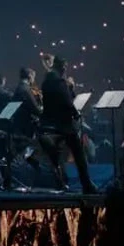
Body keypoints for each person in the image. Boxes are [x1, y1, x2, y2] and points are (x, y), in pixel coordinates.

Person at [33, 57, 97, 193]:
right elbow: (67, 102)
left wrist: (70, 88)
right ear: (62, 67)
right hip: (61, 124)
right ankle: (87, 184)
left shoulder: (46, 81)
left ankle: (62, 180)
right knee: (79, 151)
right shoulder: (59, 81)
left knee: (60, 150)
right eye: (65, 66)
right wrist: (76, 114)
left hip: (48, 122)